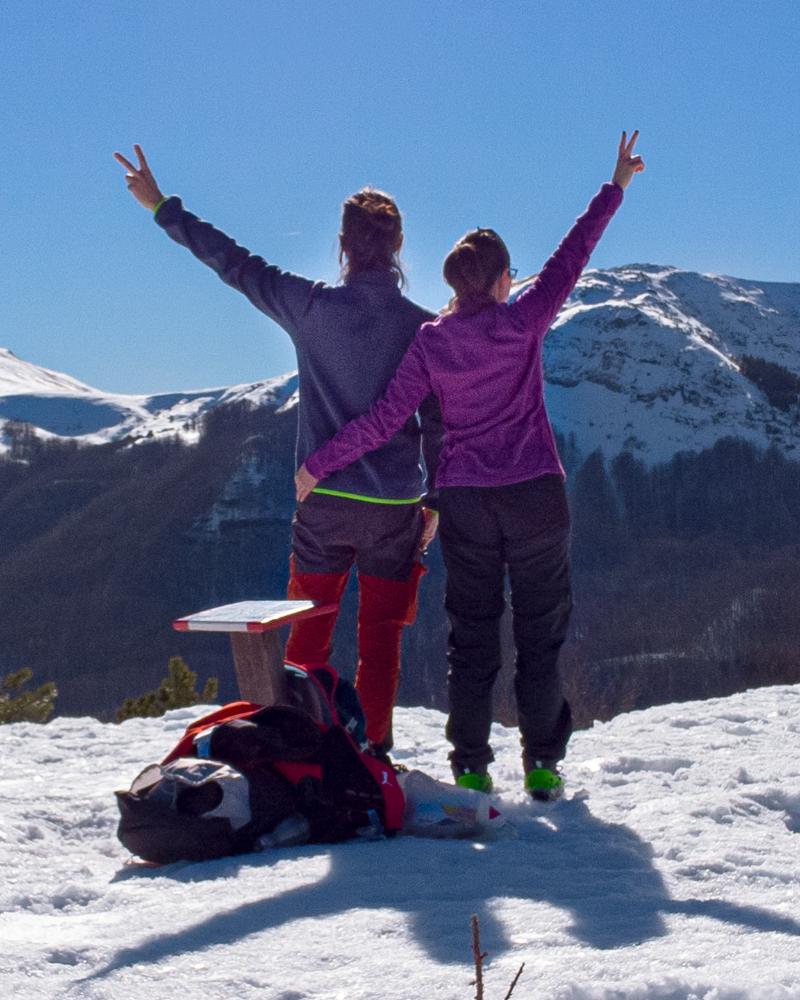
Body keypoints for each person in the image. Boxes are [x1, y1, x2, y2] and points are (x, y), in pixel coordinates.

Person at [296, 132, 645, 800]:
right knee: (540, 632)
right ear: (502, 279)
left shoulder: (432, 342)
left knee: (472, 635)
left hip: (465, 505)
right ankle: (541, 764)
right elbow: (574, 254)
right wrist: (615, 186)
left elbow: (384, 419)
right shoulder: (524, 321)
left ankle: (471, 765)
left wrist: (320, 465)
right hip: (536, 498)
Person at [114, 146, 442, 756]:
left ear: (344, 247)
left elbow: (234, 263)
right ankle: (372, 758)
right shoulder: (423, 326)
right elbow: (438, 422)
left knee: (307, 640)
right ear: (397, 249)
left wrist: (161, 206)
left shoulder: (309, 305)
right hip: (397, 504)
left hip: (325, 500)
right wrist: (435, 502)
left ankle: (306, 750)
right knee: (381, 642)